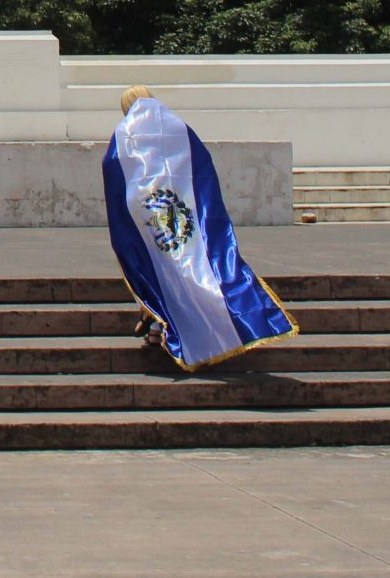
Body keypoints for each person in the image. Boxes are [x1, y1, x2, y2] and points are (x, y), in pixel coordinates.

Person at [103, 85, 295, 370]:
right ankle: (162, 322)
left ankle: (160, 322)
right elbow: (200, 163)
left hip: (148, 210)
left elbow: (113, 166)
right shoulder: (176, 126)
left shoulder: (124, 132)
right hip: (184, 207)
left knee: (156, 267)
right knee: (184, 267)